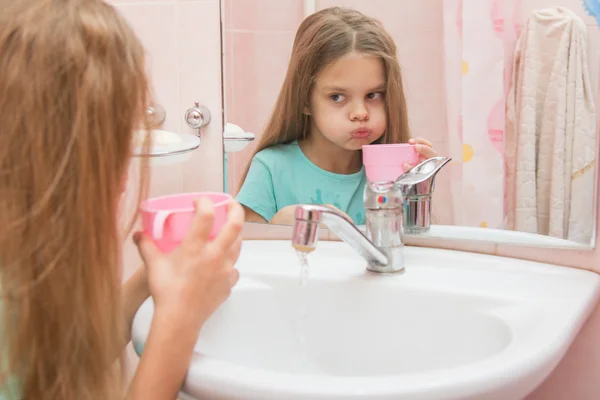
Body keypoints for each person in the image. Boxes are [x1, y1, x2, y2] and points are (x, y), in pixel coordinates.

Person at [0, 1, 243, 399]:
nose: (121, 180)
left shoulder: (20, 272)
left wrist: (149, 283)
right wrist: (179, 319)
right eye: (114, 146)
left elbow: (62, 360)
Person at [236, 7, 437, 226]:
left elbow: (411, 251)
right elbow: (250, 251)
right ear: (304, 100)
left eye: (373, 95)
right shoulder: (271, 169)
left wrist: (418, 193)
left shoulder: (396, 172)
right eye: (337, 97)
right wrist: (280, 223)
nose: (360, 113)